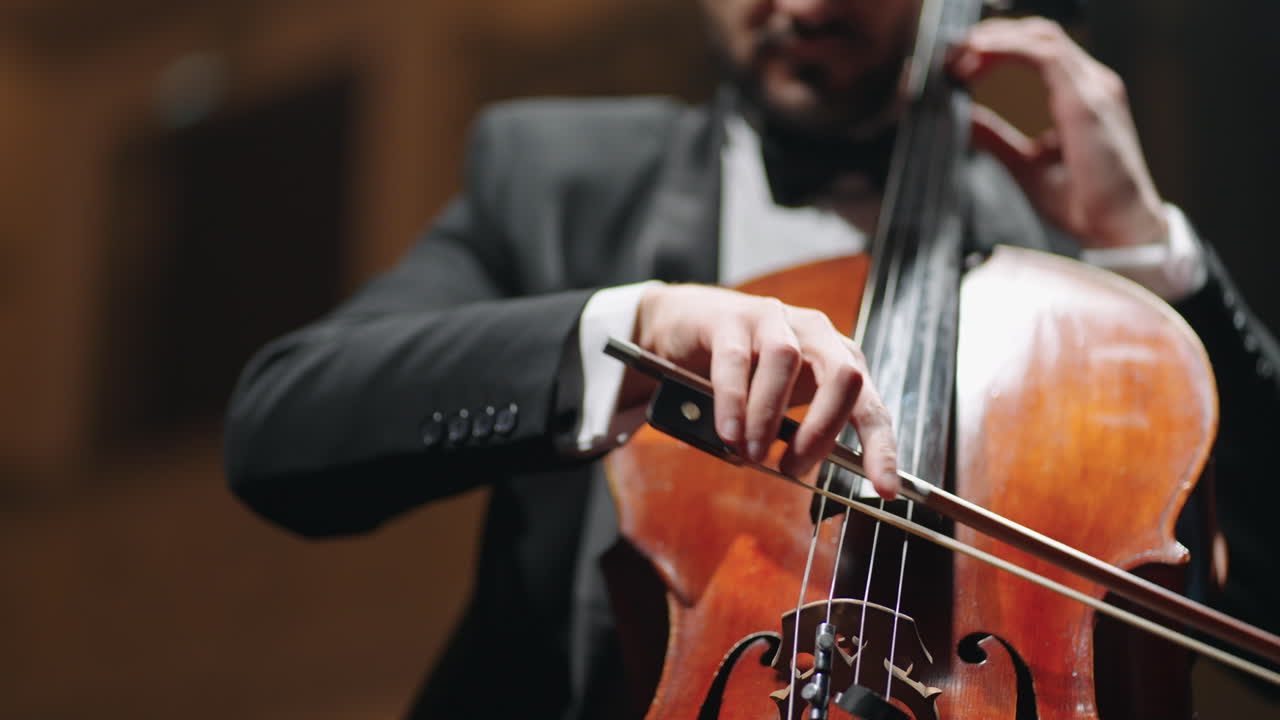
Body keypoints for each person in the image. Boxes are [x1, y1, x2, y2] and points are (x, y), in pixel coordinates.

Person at [224, 1, 1280, 717]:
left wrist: (1144, 252)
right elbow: (282, 426)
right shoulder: (555, 175)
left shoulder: (1077, 304)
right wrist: (628, 330)